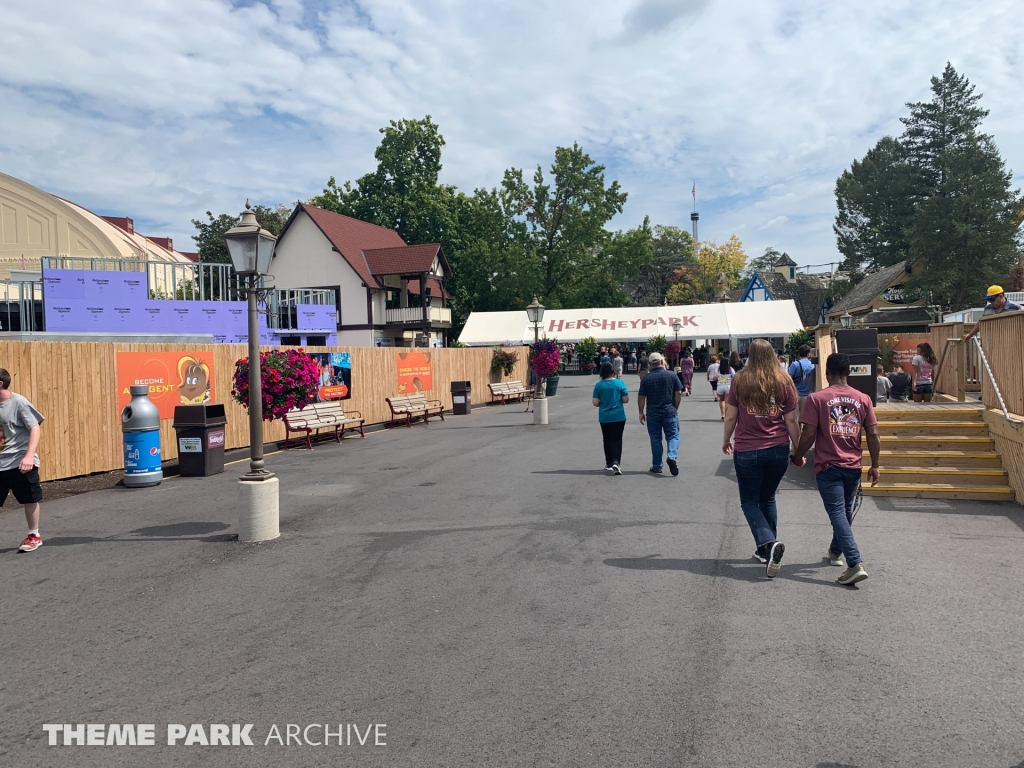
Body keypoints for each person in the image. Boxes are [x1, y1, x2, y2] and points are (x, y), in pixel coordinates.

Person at [791, 353, 881, 586]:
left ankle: (855, 562)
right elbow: (872, 434)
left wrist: (798, 455)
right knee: (844, 512)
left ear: (826, 373)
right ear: (848, 373)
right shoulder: (863, 399)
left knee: (838, 513)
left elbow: (809, 434)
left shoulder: (816, 399)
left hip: (829, 465)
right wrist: (876, 465)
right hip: (853, 465)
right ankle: (835, 551)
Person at [722, 339, 801, 577]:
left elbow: (731, 416)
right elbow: (791, 419)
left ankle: (767, 543)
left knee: (749, 501)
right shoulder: (784, 380)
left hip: (748, 448)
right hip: (777, 447)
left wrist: (726, 439)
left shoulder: (740, 379)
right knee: (767, 497)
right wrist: (798, 449)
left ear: (750, 355)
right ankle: (767, 548)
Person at [0, 368, 45, 553]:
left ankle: (34, 535)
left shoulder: (18, 402)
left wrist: (28, 456)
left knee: (29, 499)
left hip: (20, 462)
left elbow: (35, 427)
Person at [637, 352, 682, 476]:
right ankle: (672, 456)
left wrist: (641, 412)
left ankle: (657, 465)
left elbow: (641, 396)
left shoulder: (646, 378)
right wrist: (675, 407)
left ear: (650, 364)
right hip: (669, 411)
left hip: (653, 413)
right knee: (673, 436)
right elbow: (678, 393)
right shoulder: (671, 375)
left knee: (655, 439)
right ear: (662, 361)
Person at [592, 361, 630, 474]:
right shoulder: (620, 383)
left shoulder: (599, 385)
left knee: (607, 439)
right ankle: (616, 461)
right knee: (617, 439)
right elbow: (625, 399)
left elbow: (595, 402)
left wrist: (603, 403)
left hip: (604, 416)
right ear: (613, 372)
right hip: (618, 415)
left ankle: (608, 462)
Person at [787, 344, 815, 421]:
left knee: (795, 418)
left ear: (799, 353)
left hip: (795, 393)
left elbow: (789, 379)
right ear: (809, 354)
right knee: (804, 418)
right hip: (808, 393)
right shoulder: (813, 365)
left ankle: (797, 432)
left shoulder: (795, 364)